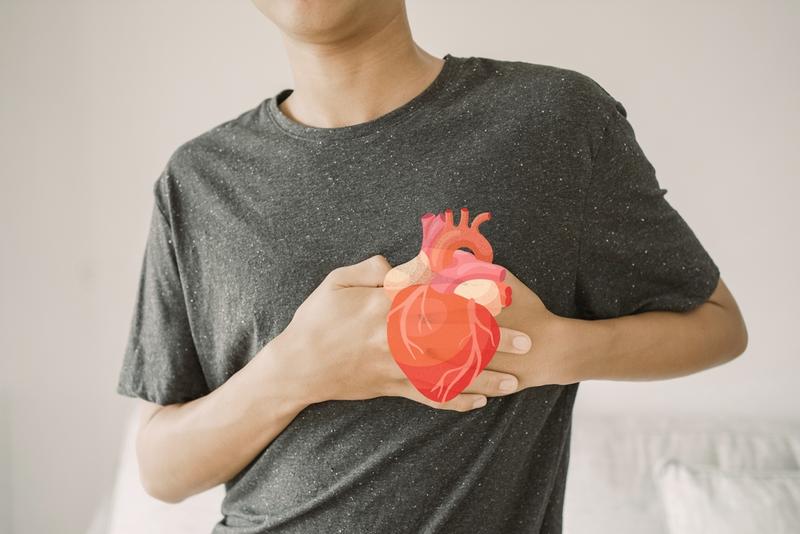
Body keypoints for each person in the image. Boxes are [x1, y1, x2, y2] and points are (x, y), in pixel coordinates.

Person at [116, 1, 748, 532]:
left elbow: (718, 324)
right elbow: (161, 469)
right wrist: (297, 369)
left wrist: (553, 349)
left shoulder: (555, 121)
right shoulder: (198, 182)